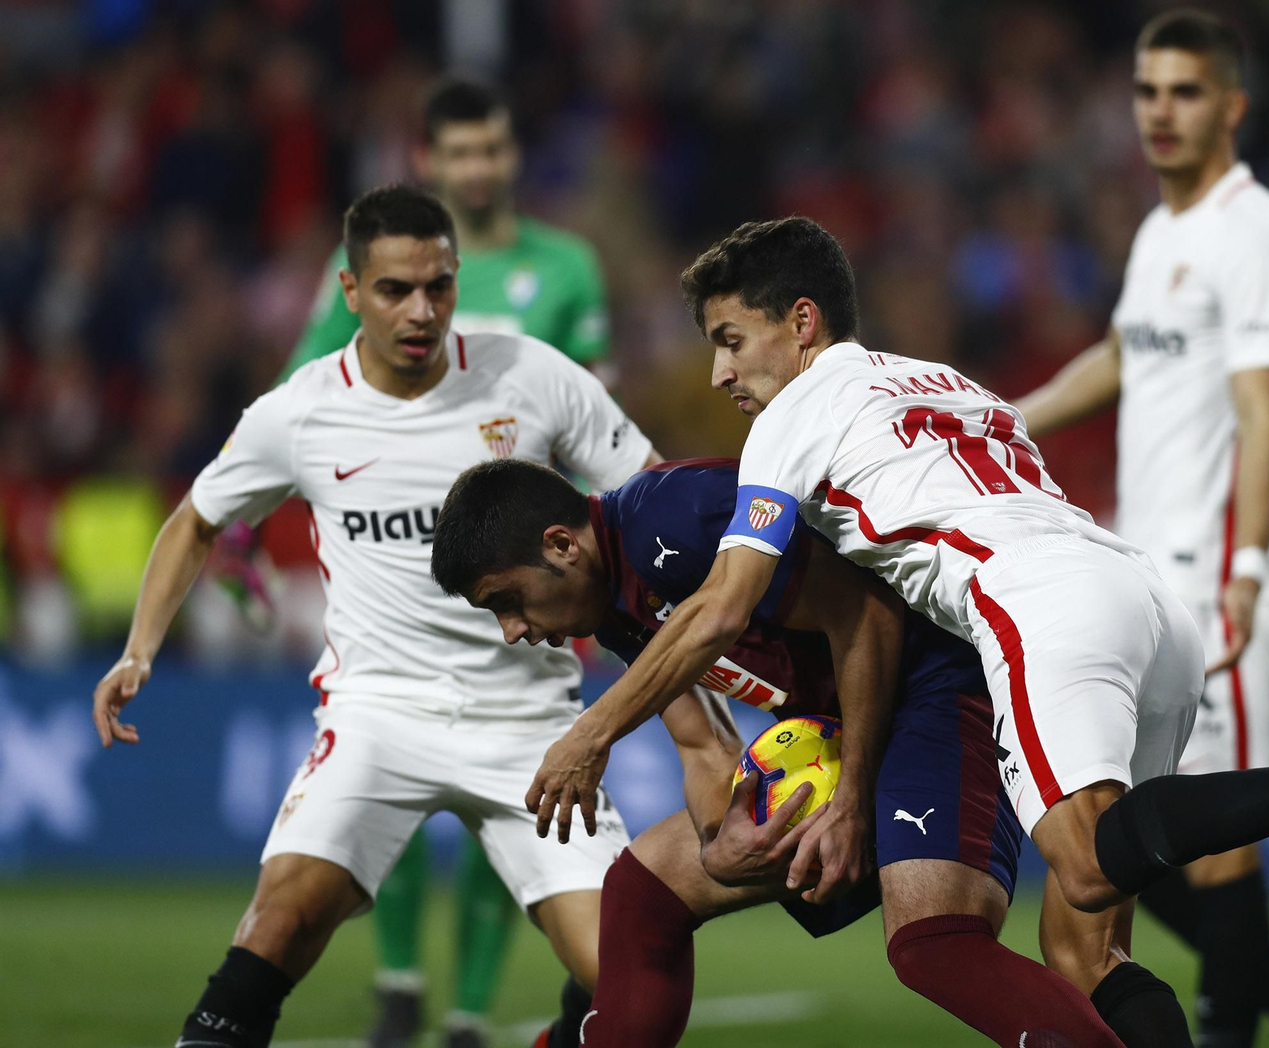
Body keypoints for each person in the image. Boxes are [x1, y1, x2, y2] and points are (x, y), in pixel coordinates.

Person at [523, 215, 1269, 1047]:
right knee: (1088, 954)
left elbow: (721, 603)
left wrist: (590, 733)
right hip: (1140, 596)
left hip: (1032, 603)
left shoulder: (795, 412)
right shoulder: (946, 381)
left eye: (730, 340)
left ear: (801, 322)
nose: (720, 374)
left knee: (1087, 862)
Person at [90, 184, 659, 1048]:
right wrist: (139, 651)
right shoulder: (302, 411)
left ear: (457, 277)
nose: (421, 310)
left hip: (529, 727)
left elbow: (648, 497)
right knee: (282, 916)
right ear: (351, 291)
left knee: (626, 977)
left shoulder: (532, 377)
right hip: (378, 716)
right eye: (395, 289)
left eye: (439, 285)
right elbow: (196, 520)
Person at [429, 456, 1139, 1048]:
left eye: (507, 600)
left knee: (935, 943)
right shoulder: (616, 605)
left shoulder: (673, 519)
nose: (513, 631)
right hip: (847, 728)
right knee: (645, 891)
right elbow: (705, 743)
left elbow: (867, 617)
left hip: (942, 690)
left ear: (561, 545)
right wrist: (722, 848)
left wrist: (854, 801)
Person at [1012, 11, 1269, 1046]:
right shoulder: (1161, 233)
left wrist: (1249, 567)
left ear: (1230, 105)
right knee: (1128, 841)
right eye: (1145, 91)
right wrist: (1003, 416)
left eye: (1182, 91)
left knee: (1217, 848)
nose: (1158, 112)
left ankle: (1234, 1030)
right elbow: (1123, 358)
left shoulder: (1257, 235)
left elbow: (1263, 408)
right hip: (1144, 570)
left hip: (1217, 571)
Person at [255, 78, 615, 1048]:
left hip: (516, 595)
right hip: (395, 602)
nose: (479, 168)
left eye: (493, 149)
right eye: (460, 154)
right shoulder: (376, 263)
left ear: (511, 154)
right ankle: (404, 985)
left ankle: (469, 1009)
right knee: (387, 815)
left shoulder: (567, 267)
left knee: (521, 823)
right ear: (433, 162)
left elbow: (592, 432)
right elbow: (312, 401)